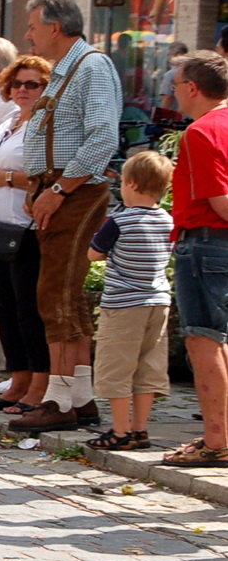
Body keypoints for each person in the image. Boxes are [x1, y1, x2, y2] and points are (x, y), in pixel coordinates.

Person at [12, 0, 120, 433]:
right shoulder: (70, 67)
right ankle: (80, 395)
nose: (29, 35)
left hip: (75, 189)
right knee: (65, 294)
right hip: (59, 186)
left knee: (55, 292)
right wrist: (39, 184)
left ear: (55, 27)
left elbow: (101, 139)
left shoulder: (91, 66)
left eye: (34, 26)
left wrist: (56, 188)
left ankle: (58, 400)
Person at [0, 55, 53, 416]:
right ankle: (18, 379)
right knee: (5, 307)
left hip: (27, 225)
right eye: (18, 83)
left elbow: (49, 175)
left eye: (32, 84)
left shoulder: (47, 124)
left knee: (27, 310)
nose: (23, 90)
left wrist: (4, 178)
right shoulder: (7, 119)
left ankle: (40, 383)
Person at [85, 151, 174, 452]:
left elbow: (94, 254)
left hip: (124, 304)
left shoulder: (119, 221)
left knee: (117, 367)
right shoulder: (167, 220)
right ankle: (140, 429)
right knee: (148, 366)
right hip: (159, 301)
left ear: (132, 184)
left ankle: (120, 430)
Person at [164, 51, 228, 464]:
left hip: (206, 242)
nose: (174, 93)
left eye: (176, 85)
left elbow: (220, 202)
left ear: (192, 88)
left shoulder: (201, 132)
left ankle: (217, 441)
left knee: (204, 340)